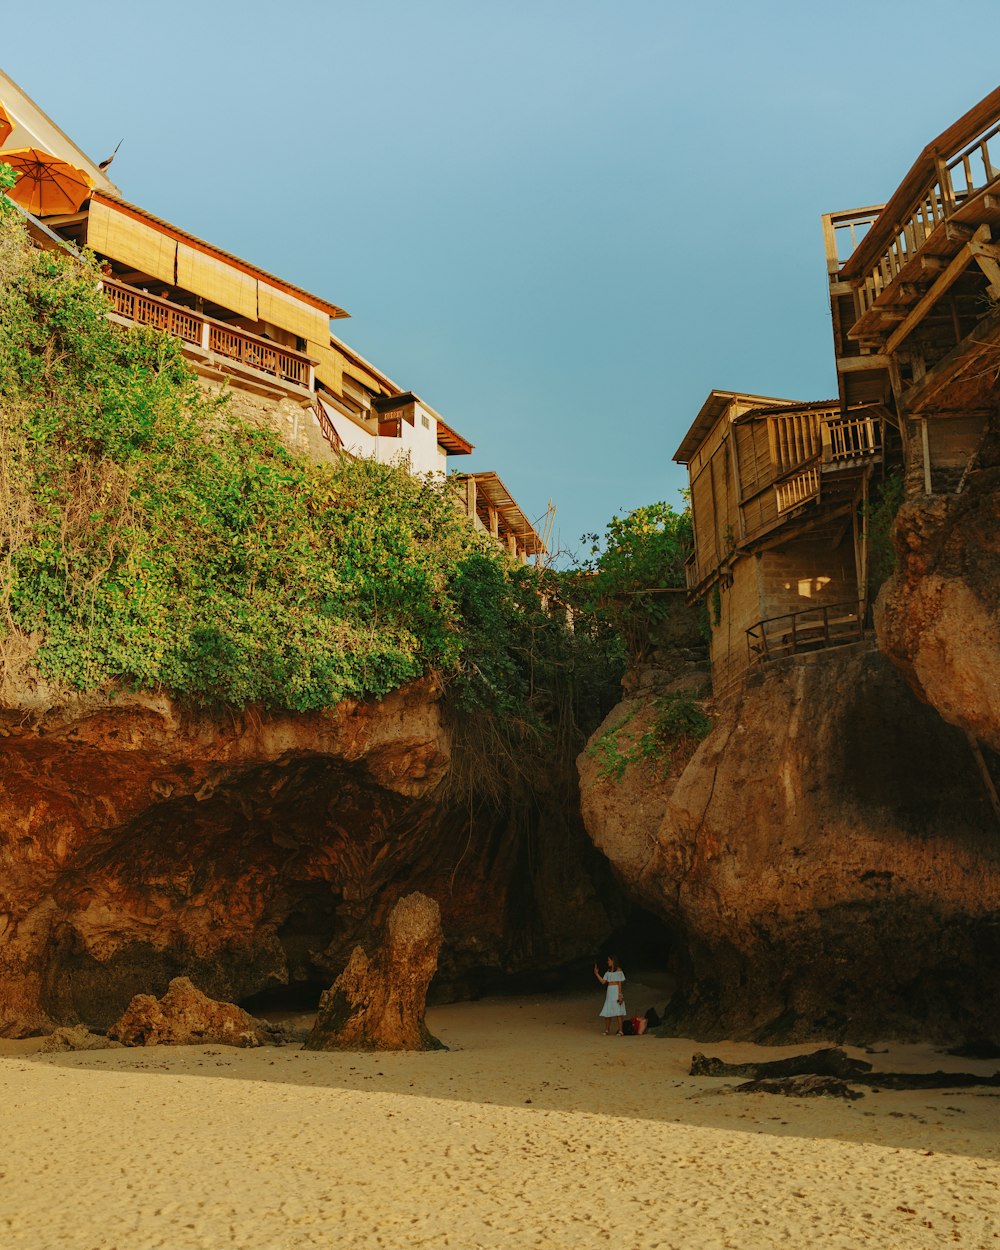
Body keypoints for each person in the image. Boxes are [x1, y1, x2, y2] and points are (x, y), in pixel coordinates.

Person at [593, 955, 627, 1035]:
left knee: (618, 1011)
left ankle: (620, 1030)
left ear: (613, 961)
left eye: (609, 960)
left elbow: (619, 983)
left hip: (616, 990)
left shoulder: (618, 970)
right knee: (608, 1010)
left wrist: (620, 995)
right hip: (610, 991)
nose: (608, 962)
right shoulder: (608, 971)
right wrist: (596, 974)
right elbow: (603, 982)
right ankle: (607, 1030)